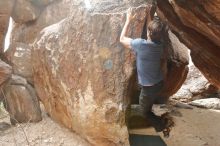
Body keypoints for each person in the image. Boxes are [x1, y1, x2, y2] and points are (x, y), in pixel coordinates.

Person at [120, 6, 168, 132]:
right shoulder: (160, 45)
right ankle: (152, 110)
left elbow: (121, 39)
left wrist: (128, 20)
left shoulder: (140, 45)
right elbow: (152, 33)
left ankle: (161, 125)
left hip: (149, 88)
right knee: (149, 103)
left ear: (148, 33)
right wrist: (148, 15)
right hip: (159, 83)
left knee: (144, 112)